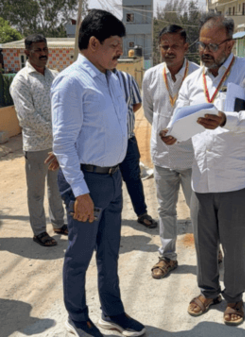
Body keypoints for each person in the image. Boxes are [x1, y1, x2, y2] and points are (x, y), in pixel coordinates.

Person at [163, 13, 245, 325]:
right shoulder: (192, 80)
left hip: (240, 179)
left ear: (230, 45)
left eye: (213, 45)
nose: (205, 50)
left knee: (237, 246)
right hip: (202, 178)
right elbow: (181, 119)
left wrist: (227, 119)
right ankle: (209, 291)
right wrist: (174, 133)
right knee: (206, 243)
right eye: (202, 44)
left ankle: (235, 298)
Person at [51, 9, 145, 337]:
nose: (121, 50)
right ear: (93, 43)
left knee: (109, 251)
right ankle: (77, 317)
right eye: (115, 44)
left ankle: (112, 312)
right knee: (80, 255)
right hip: (86, 182)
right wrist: (80, 193)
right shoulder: (71, 82)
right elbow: (62, 144)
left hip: (112, 177)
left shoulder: (114, 78)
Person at [142, 25, 200, 279]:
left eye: (174, 45)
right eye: (164, 45)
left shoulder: (200, 75)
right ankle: (167, 255)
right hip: (163, 156)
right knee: (165, 210)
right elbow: (149, 113)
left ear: (186, 47)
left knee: (200, 208)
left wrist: (180, 132)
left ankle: (210, 251)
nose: (169, 50)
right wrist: (164, 132)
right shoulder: (151, 76)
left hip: (192, 156)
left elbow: (203, 115)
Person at [9, 34, 66, 247]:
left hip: (57, 145)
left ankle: (59, 223)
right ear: (27, 53)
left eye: (45, 49)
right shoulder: (21, 80)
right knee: (36, 192)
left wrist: (61, 135)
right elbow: (27, 116)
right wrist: (57, 132)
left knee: (57, 187)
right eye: (38, 50)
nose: (43, 53)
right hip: (36, 146)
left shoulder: (54, 76)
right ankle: (39, 231)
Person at [113, 68, 158, 229]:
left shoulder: (127, 78)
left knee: (133, 178)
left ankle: (142, 213)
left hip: (128, 140)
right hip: (106, 144)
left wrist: (122, 118)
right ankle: (110, 217)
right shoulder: (93, 78)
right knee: (110, 181)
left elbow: (137, 103)